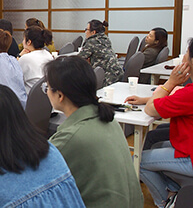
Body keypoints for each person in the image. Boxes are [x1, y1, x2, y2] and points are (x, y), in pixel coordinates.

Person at [45, 56, 143, 207]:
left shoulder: (71, 137)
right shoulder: (109, 120)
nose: (46, 92)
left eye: (47, 88)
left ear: (59, 95)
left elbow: (32, 177)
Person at [136, 39, 193, 207]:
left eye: (186, 54)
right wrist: (145, 99)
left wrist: (170, 82)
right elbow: (178, 99)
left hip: (189, 156)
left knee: (138, 160)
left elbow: (150, 110)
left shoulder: (189, 94)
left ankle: (165, 202)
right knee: (156, 144)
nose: (183, 59)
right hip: (186, 145)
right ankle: (175, 189)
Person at [78, 20, 123, 87]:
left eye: (86, 29)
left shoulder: (92, 42)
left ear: (93, 32)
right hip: (119, 74)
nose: (85, 32)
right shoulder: (105, 39)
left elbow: (78, 59)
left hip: (108, 78)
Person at [18, 26, 54, 94]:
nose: (22, 42)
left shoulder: (25, 58)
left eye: (24, 39)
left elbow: (15, 79)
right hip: (47, 96)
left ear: (28, 42)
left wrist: (19, 56)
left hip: (31, 98)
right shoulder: (48, 54)